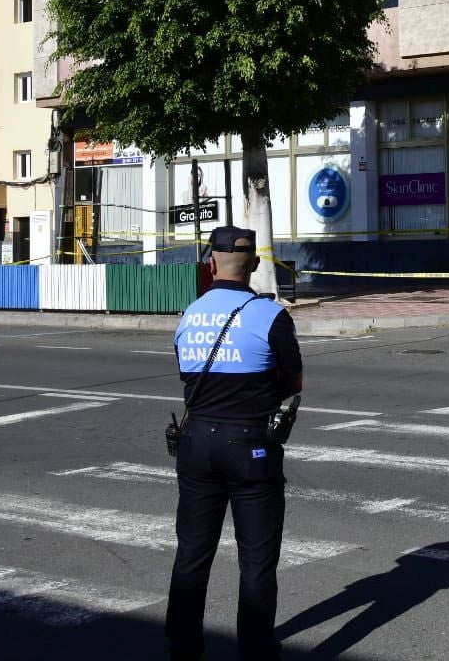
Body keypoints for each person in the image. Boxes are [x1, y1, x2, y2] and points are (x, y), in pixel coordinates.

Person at [166, 226, 303, 661]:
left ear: (211, 264)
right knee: (257, 560)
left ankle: (184, 649)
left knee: (191, 553)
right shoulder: (271, 316)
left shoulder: (190, 315)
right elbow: (292, 381)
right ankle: (257, 650)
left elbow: (186, 376)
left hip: (196, 442)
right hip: (251, 446)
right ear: (256, 266)